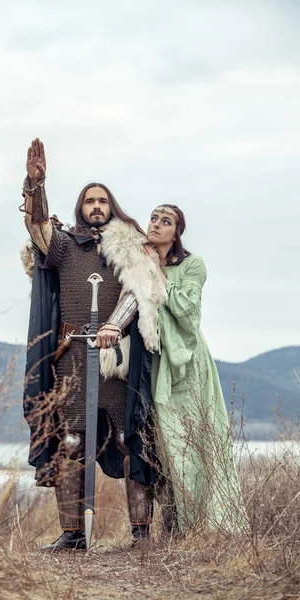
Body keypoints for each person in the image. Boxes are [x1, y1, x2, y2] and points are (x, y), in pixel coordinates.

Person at [19, 139, 166, 550]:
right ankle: (71, 535)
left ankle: (141, 535)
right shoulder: (65, 247)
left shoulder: (132, 247)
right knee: (69, 443)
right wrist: (36, 185)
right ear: (81, 209)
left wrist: (115, 327)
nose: (96, 206)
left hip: (116, 364)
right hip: (72, 361)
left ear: (111, 206)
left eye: (102, 201)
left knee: (130, 439)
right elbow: (37, 228)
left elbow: (140, 291)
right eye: (89, 201)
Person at [143, 204, 248, 535]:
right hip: (154, 362)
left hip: (187, 363)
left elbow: (187, 310)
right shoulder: (138, 262)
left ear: (177, 232)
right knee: (163, 447)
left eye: (166, 221)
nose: (156, 224)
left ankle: (210, 526)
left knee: (194, 442)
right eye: (154, 218)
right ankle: (173, 527)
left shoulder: (191, 264)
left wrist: (156, 272)